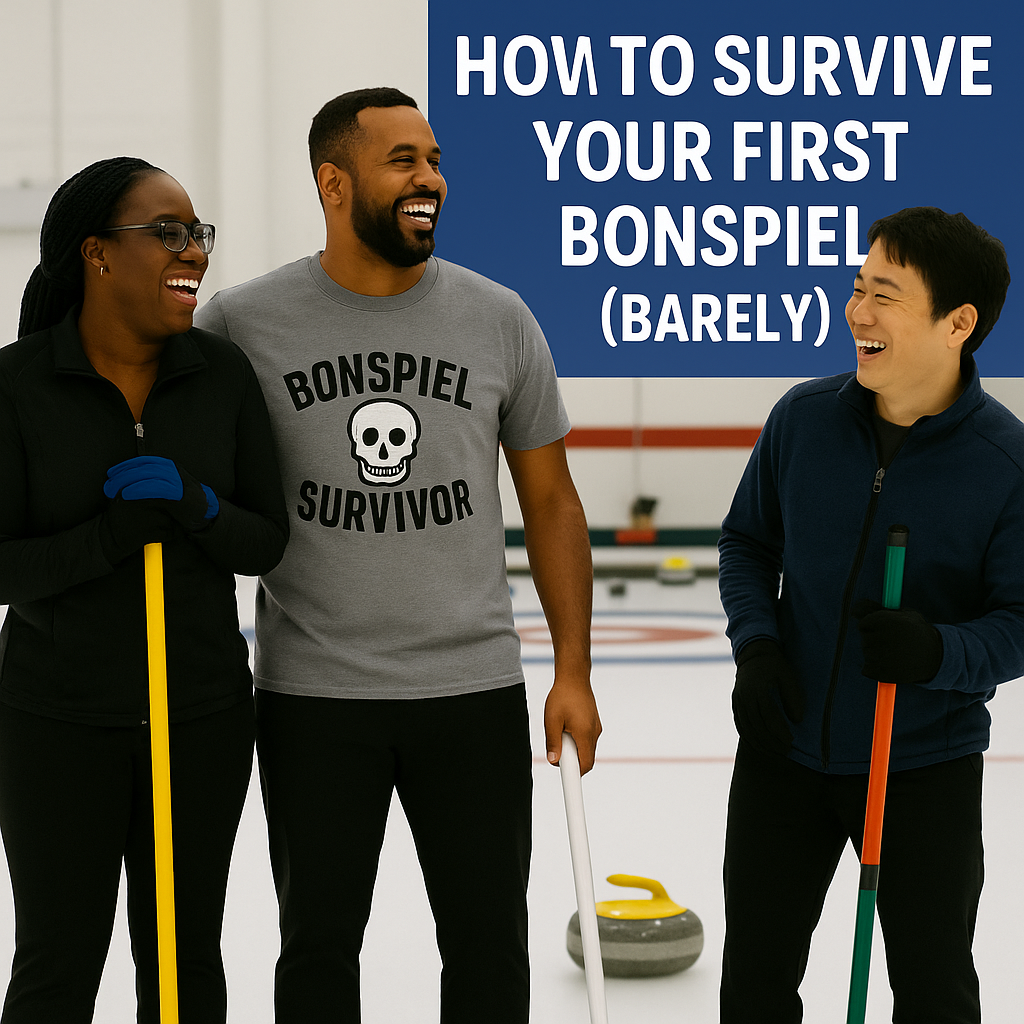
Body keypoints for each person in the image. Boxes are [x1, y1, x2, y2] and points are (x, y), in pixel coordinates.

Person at [194, 86, 600, 1023]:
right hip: (312, 695)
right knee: (319, 949)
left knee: (490, 948)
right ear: (334, 183)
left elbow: (551, 501)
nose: (432, 180)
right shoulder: (242, 323)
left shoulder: (500, 318)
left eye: (436, 159)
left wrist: (572, 669)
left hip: (473, 690)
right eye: (404, 161)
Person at [0, 156, 289, 1023]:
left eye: (196, 233)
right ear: (95, 254)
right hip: (55, 724)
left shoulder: (221, 375)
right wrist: (111, 538)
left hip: (197, 719)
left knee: (183, 960)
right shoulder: (15, 386)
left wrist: (198, 507)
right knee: (57, 964)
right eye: (166, 233)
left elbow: (268, 542)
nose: (191, 251)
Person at [717, 205, 1022, 1024]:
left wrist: (937, 652)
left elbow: (1018, 623)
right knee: (754, 983)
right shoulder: (804, 420)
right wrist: (757, 649)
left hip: (921, 766)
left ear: (958, 322)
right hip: (784, 753)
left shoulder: (1005, 464)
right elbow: (747, 543)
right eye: (857, 288)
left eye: (884, 294)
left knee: (932, 989)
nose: (857, 312)